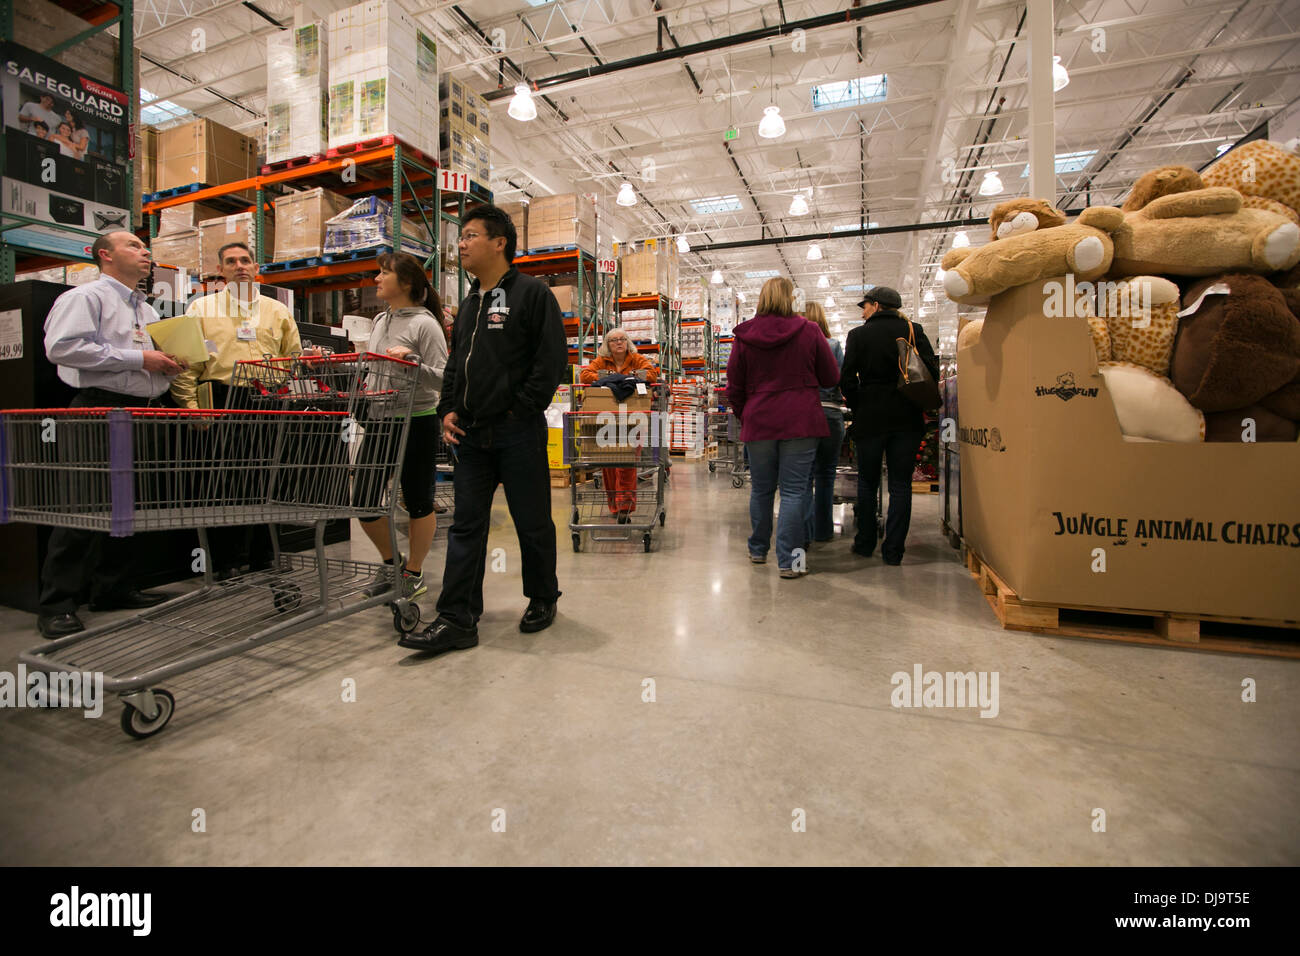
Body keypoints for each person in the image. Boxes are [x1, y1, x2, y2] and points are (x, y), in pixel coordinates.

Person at [398, 204, 567, 655]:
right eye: (462, 237)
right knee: (466, 527)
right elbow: (456, 364)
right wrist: (448, 409)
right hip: (471, 436)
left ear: (499, 243)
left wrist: (520, 411)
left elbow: (551, 363)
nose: (462, 243)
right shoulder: (471, 302)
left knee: (531, 522)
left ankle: (543, 596)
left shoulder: (533, 295)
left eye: (471, 235)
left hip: (517, 434)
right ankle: (457, 619)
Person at [37, 231, 186, 638]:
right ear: (105, 254)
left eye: (145, 247)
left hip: (144, 412)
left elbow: (152, 356)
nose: (146, 252)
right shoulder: (86, 298)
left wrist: (171, 362)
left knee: (129, 505)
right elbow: (63, 348)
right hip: (99, 409)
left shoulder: (147, 310)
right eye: (134, 246)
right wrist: (141, 358)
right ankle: (58, 603)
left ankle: (113, 587)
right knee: (84, 504)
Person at [171, 241, 302, 578]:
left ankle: (265, 556)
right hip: (221, 399)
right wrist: (189, 405)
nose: (240, 266)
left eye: (246, 260)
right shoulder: (200, 309)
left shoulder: (278, 311)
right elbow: (185, 364)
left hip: (268, 401)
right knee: (222, 483)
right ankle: (226, 562)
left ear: (256, 267)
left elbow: (296, 358)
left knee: (268, 481)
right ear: (221, 270)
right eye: (231, 261)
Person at [726, 277, 840, 578]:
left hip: (759, 419)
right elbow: (830, 377)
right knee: (794, 491)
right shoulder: (809, 330)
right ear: (792, 298)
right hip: (801, 419)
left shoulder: (745, 336)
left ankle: (757, 549)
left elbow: (734, 386)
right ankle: (790, 562)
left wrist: (746, 412)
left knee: (761, 489)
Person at [354, 252, 449, 601]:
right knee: (364, 501)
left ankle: (414, 572)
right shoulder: (380, 319)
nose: (377, 278)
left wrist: (412, 365)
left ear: (406, 282)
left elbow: (444, 379)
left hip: (417, 422)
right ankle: (392, 563)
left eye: (384, 273)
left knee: (418, 502)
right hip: (379, 420)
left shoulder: (425, 324)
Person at [839, 286, 939, 565]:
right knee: (900, 485)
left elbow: (846, 379)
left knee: (868, 482)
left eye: (866, 305)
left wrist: (860, 404)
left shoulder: (858, 335)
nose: (863, 310)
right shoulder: (912, 330)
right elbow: (931, 371)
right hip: (906, 416)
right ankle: (894, 551)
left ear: (877, 306)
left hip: (870, 416)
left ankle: (865, 543)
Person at [579, 327, 659, 523]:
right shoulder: (600, 362)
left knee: (627, 463)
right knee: (609, 464)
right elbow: (584, 376)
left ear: (627, 342)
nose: (618, 342)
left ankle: (626, 506)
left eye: (622, 339)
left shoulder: (637, 359)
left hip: (633, 420)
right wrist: (609, 377)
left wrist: (620, 378)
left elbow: (652, 374)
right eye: (613, 340)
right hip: (606, 420)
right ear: (607, 345)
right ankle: (615, 505)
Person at [802, 302, 846, 544]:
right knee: (827, 476)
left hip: (806, 414)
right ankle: (824, 531)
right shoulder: (834, 345)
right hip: (831, 413)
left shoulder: (796, 346)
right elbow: (837, 379)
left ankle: (805, 534)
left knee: (805, 477)